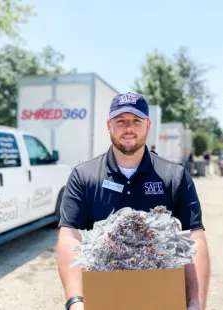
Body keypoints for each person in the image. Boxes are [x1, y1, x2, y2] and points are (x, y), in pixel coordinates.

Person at [57, 92, 210, 310]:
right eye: (120, 121)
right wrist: (75, 302)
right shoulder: (83, 176)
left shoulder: (175, 177)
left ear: (148, 125)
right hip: (103, 299)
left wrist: (195, 304)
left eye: (136, 121)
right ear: (109, 125)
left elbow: (194, 238)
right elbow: (70, 237)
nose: (128, 128)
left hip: (162, 300)